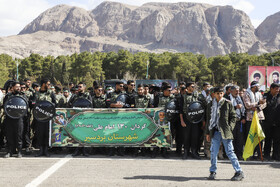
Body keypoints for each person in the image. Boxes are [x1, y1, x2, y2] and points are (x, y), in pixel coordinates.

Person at [206, 87, 244, 181]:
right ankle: (213, 171)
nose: (219, 95)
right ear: (214, 94)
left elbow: (233, 117)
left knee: (230, 152)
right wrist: (207, 133)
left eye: (221, 93)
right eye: (217, 93)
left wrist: (230, 128)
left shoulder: (227, 103)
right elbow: (208, 119)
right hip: (215, 131)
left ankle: (239, 171)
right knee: (213, 152)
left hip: (225, 131)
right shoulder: (210, 104)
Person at [179, 82, 205, 160]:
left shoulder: (197, 96)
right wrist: (182, 121)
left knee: (195, 136)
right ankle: (186, 152)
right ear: (187, 88)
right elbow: (181, 110)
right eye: (192, 86)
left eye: (194, 86)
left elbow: (201, 106)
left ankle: (194, 152)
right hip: (186, 119)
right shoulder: (183, 97)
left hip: (195, 120)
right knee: (186, 137)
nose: (193, 87)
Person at [3, 81, 27, 158]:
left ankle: (19, 151)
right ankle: (9, 151)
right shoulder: (8, 96)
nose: (18, 88)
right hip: (9, 118)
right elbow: (5, 105)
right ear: (12, 87)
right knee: (9, 135)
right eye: (16, 86)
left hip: (19, 118)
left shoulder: (22, 96)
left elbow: (26, 105)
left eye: (19, 86)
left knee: (19, 135)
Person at [243, 81, 266, 159]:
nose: (259, 88)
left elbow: (264, 103)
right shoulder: (247, 93)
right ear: (253, 87)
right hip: (250, 118)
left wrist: (258, 106)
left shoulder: (259, 93)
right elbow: (247, 105)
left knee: (259, 136)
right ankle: (250, 154)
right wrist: (257, 103)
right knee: (251, 137)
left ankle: (259, 154)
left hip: (259, 117)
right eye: (258, 86)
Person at [34, 78, 56, 157]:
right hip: (39, 117)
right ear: (43, 84)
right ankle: (40, 150)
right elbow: (33, 103)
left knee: (47, 133)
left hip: (48, 117)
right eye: (48, 84)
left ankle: (46, 150)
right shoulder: (36, 93)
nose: (49, 85)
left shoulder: (50, 93)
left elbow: (54, 103)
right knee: (40, 133)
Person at [68, 82, 92, 157]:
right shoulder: (74, 95)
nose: (79, 88)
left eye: (80, 87)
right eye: (78, 86)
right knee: (76, 134)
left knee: (84, 134)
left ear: (84, 87)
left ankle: (85, 150)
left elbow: (91, 105)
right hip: (76, 118)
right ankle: (77, 150)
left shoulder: (88, 95)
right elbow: (69, 104)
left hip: (85, 118)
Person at [263, 83, 280, 160]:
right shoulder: (265, 96)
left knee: (277, 140)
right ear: (271, 89)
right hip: (267, 122)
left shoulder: (279, 96)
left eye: (278, 89)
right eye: (276, 89)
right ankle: (266, 155)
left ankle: (276, 155)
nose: (277, 90)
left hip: (277, 122)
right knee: (268, 139)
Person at [229, 85, 246, 160]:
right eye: (236, 91)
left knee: (240, 139)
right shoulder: (228, 98)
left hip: (239, 121)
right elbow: (226, 109)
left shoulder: (239, 98)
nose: (237, 92)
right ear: (231, 91)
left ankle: (239, 154)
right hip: (231, 121)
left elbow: (243, 108)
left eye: (238, 91)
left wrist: (243, 117)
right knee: (232, 139)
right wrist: (235, 107)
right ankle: (231, 155)